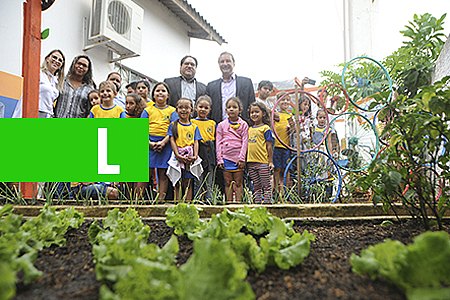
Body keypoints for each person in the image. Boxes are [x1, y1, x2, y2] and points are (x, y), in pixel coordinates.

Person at [139, 82, 177, 200]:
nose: (160, 93)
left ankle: (160, 200)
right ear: (153, 94)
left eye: (163, 91)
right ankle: (137, 200)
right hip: (148, 143)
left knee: (163, 173)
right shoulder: (147, 110)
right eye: (157, 91)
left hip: (166, 143)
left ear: (168, 95)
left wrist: (163, 142)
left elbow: (173, 128)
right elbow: (141, 129)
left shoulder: (172, 111)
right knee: (145, 173)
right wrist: (149, 143)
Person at [167, 98, 203, 201]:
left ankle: (188, 203)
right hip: (177, 156)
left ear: (191, 110)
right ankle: (177, 203)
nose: (184, 110)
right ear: (176, 110)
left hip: (190, 157)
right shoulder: (173, 125)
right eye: (181, 107)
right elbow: (172, 140)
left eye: (187, 107)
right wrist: (177, 154)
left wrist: (195, 156)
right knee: (177, 181)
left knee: (188, 182)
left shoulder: (194, 127)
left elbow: (196, 142)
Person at [207, 52, 256, 124]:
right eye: (222, 62)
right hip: (218, 128)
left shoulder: (246, 83)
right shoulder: (211, 86)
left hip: (242, 127)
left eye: (228, 61)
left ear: (234, 63)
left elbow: (252, 105)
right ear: (219, 65)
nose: (225, 64)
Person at [216, 97, 249, 203]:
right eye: (229, 107)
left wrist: (242, 158)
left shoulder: (244, 125)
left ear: (240, 110)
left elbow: (245, 142)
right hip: (226, 158)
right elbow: (218, 142)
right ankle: (229, 204)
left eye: (234, 107)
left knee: (238, 182)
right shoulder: (221, 125)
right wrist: (219, 159)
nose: (231, 109)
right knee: (227, 182)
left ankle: (238, 204)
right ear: (225, 110)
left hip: (238, 159)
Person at [247, 102, 274, 204]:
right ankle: (257, 205)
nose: (254, 114)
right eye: (252, 112)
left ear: (263, 113)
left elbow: (269, 145)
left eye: (257, 112)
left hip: (262, 162)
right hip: (251, 162)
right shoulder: (249, 129)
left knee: (266, 186)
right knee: (256, 186)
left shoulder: (266, 129)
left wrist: (270, 161)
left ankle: (267, 205)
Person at [191, 95, 216, 200]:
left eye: (206, 108)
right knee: (198, 178)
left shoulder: (212, 123)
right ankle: (197, 199)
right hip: (197, 151)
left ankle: (209, 200)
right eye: (201, 107)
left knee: (209, 178)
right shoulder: (192, 122)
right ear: (196, 108)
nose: (203, 109)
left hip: (209, 152)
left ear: (210, 109)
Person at [273, 92, 293, 197]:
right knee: (277, 168)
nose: (285, 102)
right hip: (276, 145)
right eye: (282, 99)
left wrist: (292, 128)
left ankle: (286, 191)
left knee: (286, 168)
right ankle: (276, 191)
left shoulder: (290, 116)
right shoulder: (275, 115)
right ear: (277, 102)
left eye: (287, 100)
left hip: (286, 146)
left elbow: (294, 131)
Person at [39, 49, 65, 118]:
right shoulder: (39, 73)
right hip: (36, 111)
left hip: (48, 114)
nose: (56, 61)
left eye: (60, 60)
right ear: (47, 59)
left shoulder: (56, 82)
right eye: (54, 57)